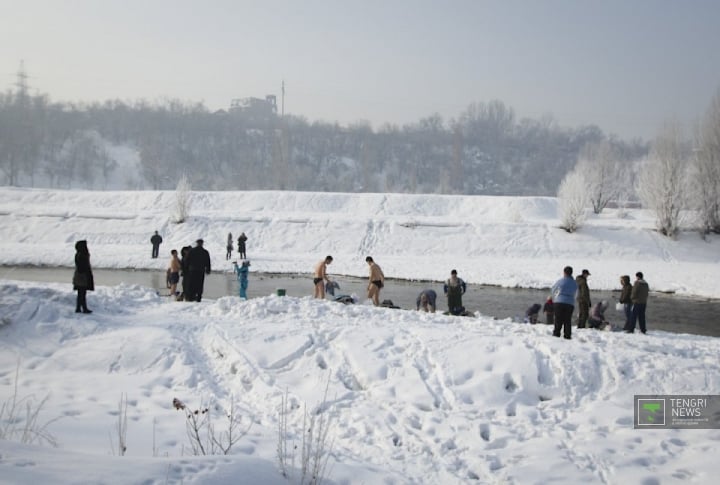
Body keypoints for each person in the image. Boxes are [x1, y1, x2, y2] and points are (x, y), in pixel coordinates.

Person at [551, 266, 578, 339]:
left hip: (559, 302)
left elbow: (553, 290)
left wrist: (555, 298)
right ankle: (567, 336)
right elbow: (577, 293)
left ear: (564, 272)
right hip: (570, 303)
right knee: (567, 320)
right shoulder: (575, 283)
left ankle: (556, 335)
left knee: (558, 320)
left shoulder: (560, 281)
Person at [72, 240, 94, 314]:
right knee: (82, 293)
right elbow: (81, 267)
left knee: (80, 293)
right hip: (82, 277)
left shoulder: (79, 254)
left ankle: (79, 308)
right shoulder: (82, 255)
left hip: (79, 276)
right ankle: (83, 308)